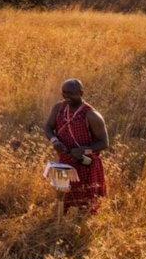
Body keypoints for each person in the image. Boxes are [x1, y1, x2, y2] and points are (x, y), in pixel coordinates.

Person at [43, 78, 110, 214]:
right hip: (65, 162)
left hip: (86, 164)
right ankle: (60, 227)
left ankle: (82, 230)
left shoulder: (91, 115)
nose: (66, 97)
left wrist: (84, 150)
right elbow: (48, 128)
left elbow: (104, 143)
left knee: (87, 206)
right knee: (62, 200)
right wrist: (55, 141)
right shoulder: (59, 108)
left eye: (70, 93)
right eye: (64, 93)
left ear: (81, 92)